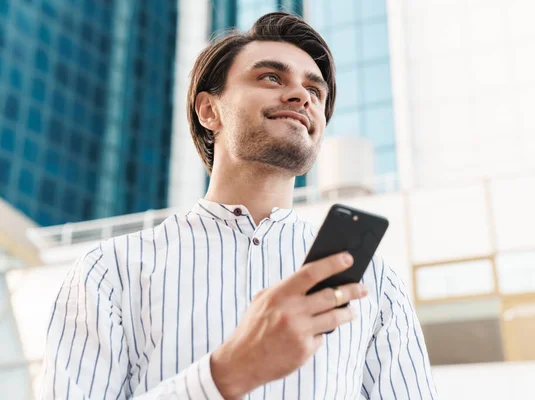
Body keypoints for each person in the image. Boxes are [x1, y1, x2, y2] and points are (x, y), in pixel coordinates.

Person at [41, 12, 437, 400]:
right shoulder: (111, 271)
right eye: (271, 77)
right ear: (209, 110)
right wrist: (226, 374)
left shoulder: (374, 285)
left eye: (315, 92)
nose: (302, 95)